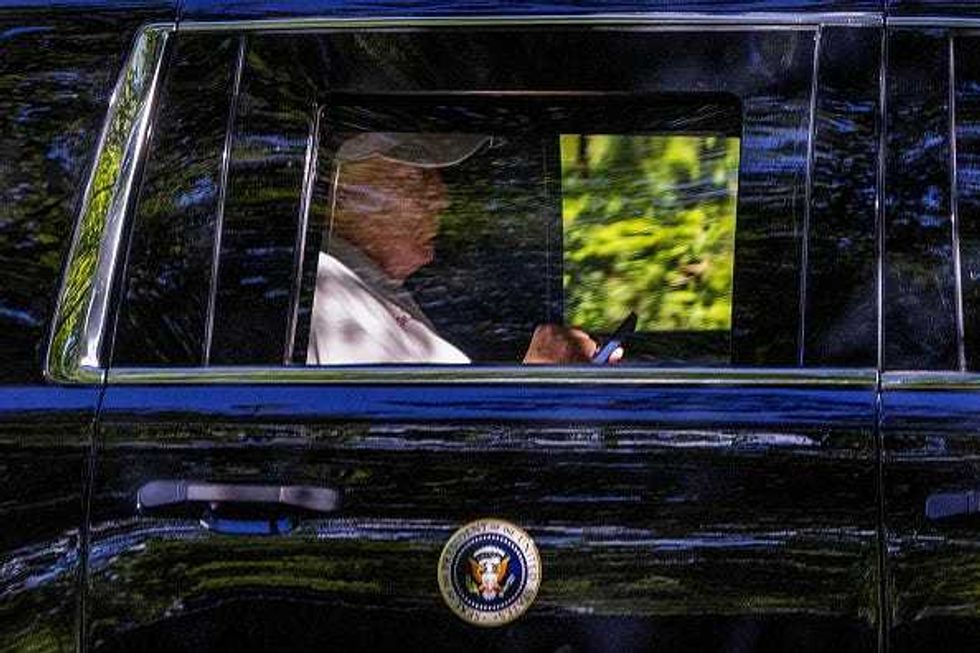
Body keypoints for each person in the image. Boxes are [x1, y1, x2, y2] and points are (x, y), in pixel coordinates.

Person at [306, 132, 621, 365]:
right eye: (416, 176)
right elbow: (403, 443)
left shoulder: (364, 286)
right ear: (345, 195)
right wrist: (537, 374)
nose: (442, 197)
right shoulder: (330, 295)